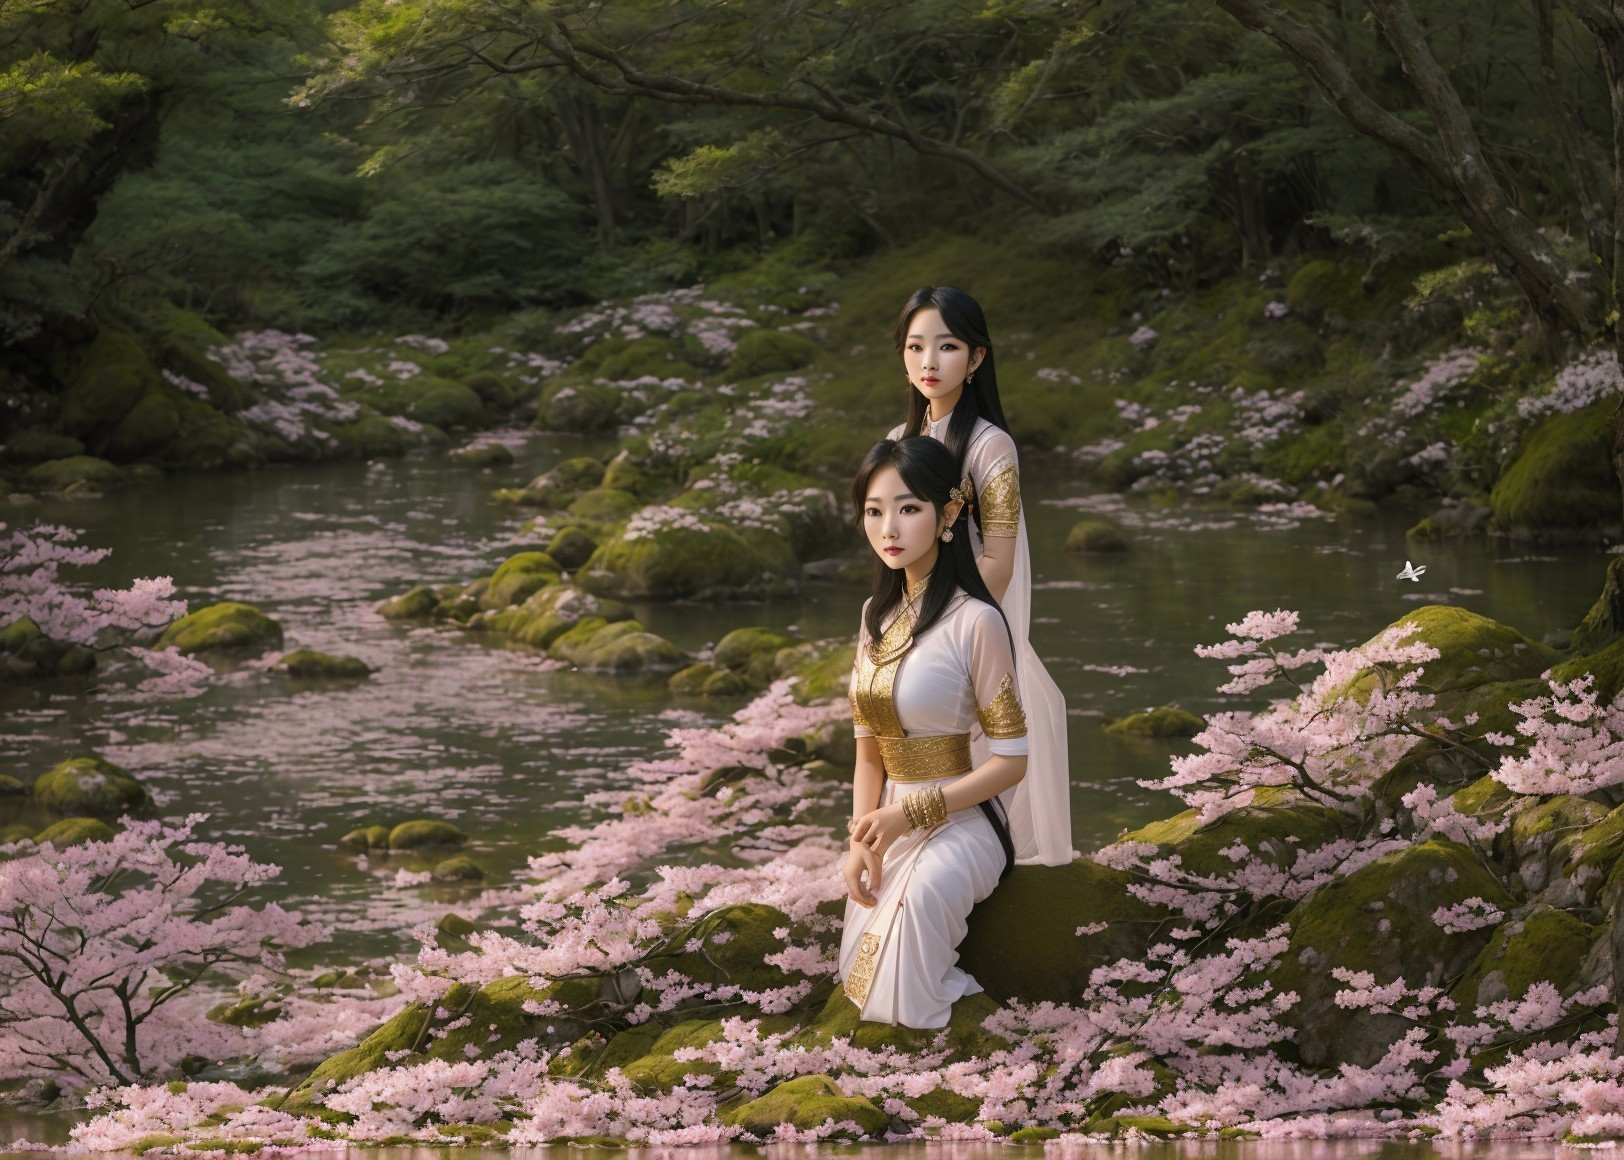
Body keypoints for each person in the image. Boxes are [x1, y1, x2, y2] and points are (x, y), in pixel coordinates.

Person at [838, 436, 1028, 1028]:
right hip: (888, 828)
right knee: (860, 980)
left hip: (964, 825)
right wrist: (860, 841)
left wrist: (909, 814)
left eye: (909, 508)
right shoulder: (874, 619)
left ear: (949, 515)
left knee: (905, 960)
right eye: (874, 510)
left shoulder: (976, 621)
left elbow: (1011, 761)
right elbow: (869, 756)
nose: (888, 526)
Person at [885, 285, 1072, 867]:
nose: (929, 363)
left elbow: (999, 559)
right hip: (906, 621)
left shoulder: (991, 448)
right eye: (916, 347)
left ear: (977, 357)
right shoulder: (898, 443)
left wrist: (938, 629)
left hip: (962, 627)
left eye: (946, 346)